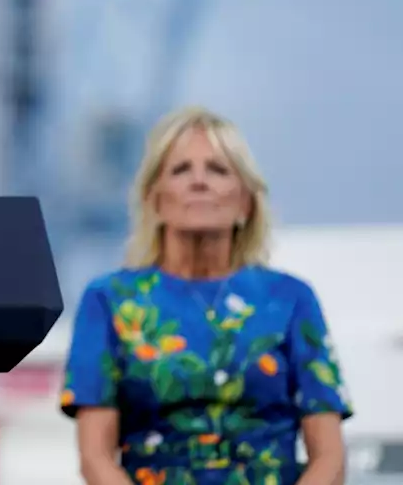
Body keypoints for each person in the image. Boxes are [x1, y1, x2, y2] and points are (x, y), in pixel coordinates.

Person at [59, 106, 352, 485]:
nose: (199, 182)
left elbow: (330, 458)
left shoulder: (291, 299)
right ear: (155, 200)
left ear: (246, 202)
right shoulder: (110, 301)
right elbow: (95, 458)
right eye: (181, 170)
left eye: (218, 169)